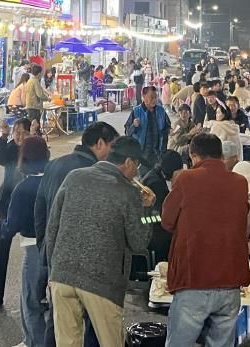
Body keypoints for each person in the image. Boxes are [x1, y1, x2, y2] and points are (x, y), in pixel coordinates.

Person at [46, 137, 154, 346]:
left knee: (67, 342)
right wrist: (148, 209)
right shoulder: (129, 192)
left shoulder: (74, 177)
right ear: (129, 163)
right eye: (137, 166)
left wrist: (53, 271)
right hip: (103, 281)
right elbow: (139, 242)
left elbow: (53, 228)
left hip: (62, 275)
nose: (137, 172)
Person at [34, 122, 119, 346]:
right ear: (100, 144)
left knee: (58, 322)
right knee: (91, 323)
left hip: (57, 258)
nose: (113, 153)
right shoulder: (95, 174)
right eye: (112, 146)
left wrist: (45, 247)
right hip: (86, 262)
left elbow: (40, 208)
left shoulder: (54, 165)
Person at [162, 133, 250, 347]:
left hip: (194, 279)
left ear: (193, 156)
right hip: (231, 280)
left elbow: (167, 221)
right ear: (221, 155)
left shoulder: (186, 178)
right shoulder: (240, 183)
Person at [0, 136, 50, 347]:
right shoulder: (53, 181)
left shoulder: (23, 187)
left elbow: (12, 225)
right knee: (49, 300)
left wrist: (1, 225)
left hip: (33, 247)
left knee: (30, 300)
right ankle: (35, 340)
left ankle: (35, 342)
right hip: (55, 246)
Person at [0, 117, 31, 311]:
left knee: (35, 255)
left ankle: (38, 296)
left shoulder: (34, 148)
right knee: (0, 252)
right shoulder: (9, 147)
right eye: (16, 132)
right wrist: (2, 136)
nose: (19, 136)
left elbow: (42, 159)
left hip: (30, 208)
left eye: (23, 132)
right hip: (7, 205)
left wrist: (35, 137)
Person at [142, 150, 184, 265]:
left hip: (150, 228)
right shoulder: (156, 185)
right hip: (154, 234)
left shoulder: (155, 175)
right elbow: (162, 217)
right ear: (171, 171)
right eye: (179, 173)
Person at [125, 86, 171, 173]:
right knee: (142, 179)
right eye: (151, 97)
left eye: (155, 97)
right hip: (142, 154)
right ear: (144, 97)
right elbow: (127, 132)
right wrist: (134, 126)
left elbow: (167, 127)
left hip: (157, 153)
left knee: (156, 178)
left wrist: (169, 131)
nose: (154, 100)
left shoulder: (161, 111)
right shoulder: (136, 111)